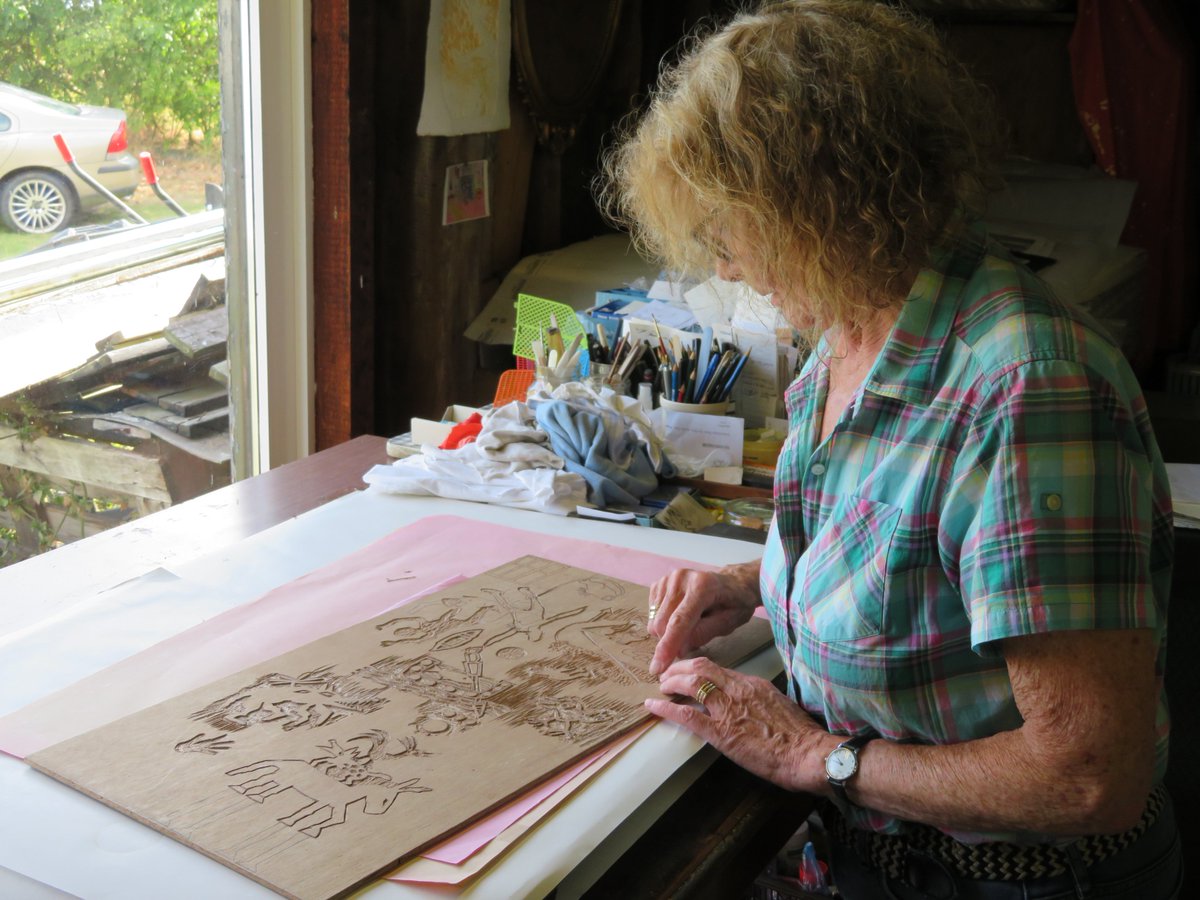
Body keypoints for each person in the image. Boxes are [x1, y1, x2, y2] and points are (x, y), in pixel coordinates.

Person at [596, 1, 1180, 897]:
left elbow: (1089, 777)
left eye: (729, 228)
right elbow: (911, 538)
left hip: (1010, 879)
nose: (725, 267)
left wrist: (814, 756)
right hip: (870, 852)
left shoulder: (1029, 388)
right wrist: (753, 584)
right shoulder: (856, 327)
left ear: (815, 207)